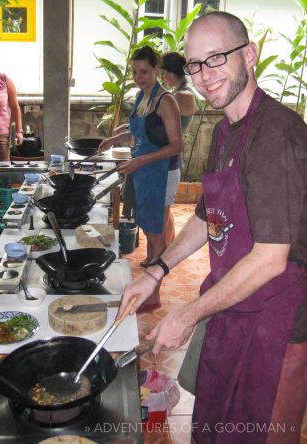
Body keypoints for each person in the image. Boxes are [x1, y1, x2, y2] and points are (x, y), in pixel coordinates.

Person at [117, 11, 307, 444]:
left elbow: (270, 258)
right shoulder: (226, 130)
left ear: (251, 55)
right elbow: (209, 214)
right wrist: (157, 270)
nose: (205, 75)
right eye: (196, 64)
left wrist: (187, 314)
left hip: (275, 328)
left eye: (217, 57)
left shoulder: (276, 135)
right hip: (232, 311)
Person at [99, 46, 182, 311]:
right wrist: (113, 139)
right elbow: (135, 131)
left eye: (144, 71)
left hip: (161, 172)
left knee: (157, 234)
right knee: (148, 227)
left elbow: (176, 145)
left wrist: (140, 161)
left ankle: (154, 295)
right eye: (135, 72)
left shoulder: (166, 101)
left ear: (157, 69)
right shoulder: (142, 96)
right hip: (144, 171)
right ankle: (149, 283)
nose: (139, 77)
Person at [161, 51, 197, 244]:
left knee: (163, 210)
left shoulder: (182, 95)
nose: (162, 78)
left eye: (163, 73)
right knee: (164, 208)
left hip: (169, 158)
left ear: (171, 73)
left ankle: (162, 252)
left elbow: (162, 125)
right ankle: (167, 247)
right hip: (166, 156)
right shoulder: (177, 93)